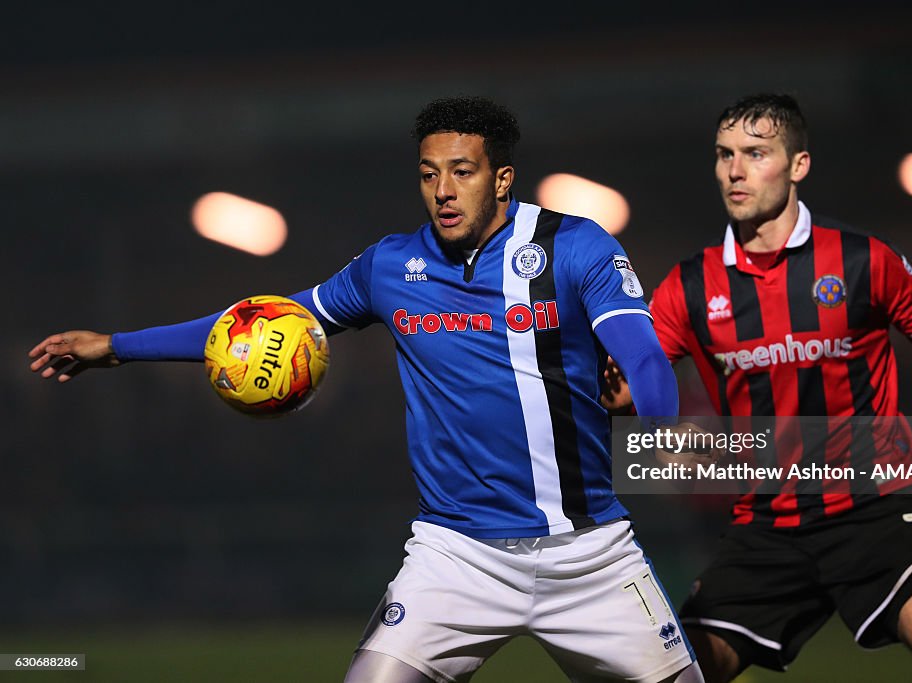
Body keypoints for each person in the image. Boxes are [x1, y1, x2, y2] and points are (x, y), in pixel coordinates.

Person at [28, 96, 705, 683]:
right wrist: (116, 347)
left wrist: (655, 419)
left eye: (461, 172)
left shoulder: (577, 247)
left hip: (586, 553)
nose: (442, 189)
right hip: (456, 554)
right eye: (428, 174)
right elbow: (256, 319)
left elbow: (645, 357)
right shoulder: (391, 266)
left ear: (502, 179)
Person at [603, 93, 912, 683]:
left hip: (875, 511)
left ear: (799, 164)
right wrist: (619, 403)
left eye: (756, 153)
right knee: (677, 676)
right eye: (724, 154)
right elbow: (630, 385)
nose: (735, 170)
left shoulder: (863, 262)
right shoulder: (689, 286)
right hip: (767, 522)